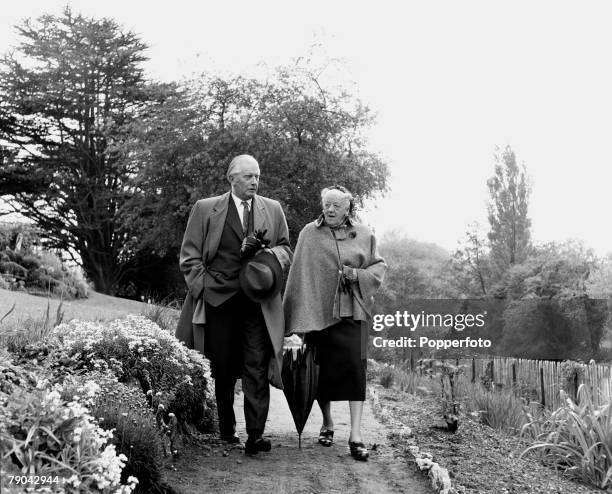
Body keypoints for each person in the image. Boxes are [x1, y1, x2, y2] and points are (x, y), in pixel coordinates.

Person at [176, 154, 292, 456]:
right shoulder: (205, 209)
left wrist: (266, 254)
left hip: (257, 302)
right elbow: (189, 258)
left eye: (257, 176)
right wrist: (204, 289)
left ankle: (255, 435)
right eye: (248, 176)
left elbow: (285, 250)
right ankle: (227, 430)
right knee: (223, 368)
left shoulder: (273, 209)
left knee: (255, 364)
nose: (254, 181)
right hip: (219, 300)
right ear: (232, 179)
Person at [283, 185, 386, 461]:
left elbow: (378, 267)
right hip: (318, 314)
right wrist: (293, 316)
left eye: (335, 206)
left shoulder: (364, 234)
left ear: (347, 208)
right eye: (326, 204)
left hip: (353, 312)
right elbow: (298, 275)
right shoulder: (309, 234)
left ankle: (356, 435)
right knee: (322, 374)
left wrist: (356, 275)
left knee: (356, 370)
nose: (329, 210)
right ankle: (327, 423)